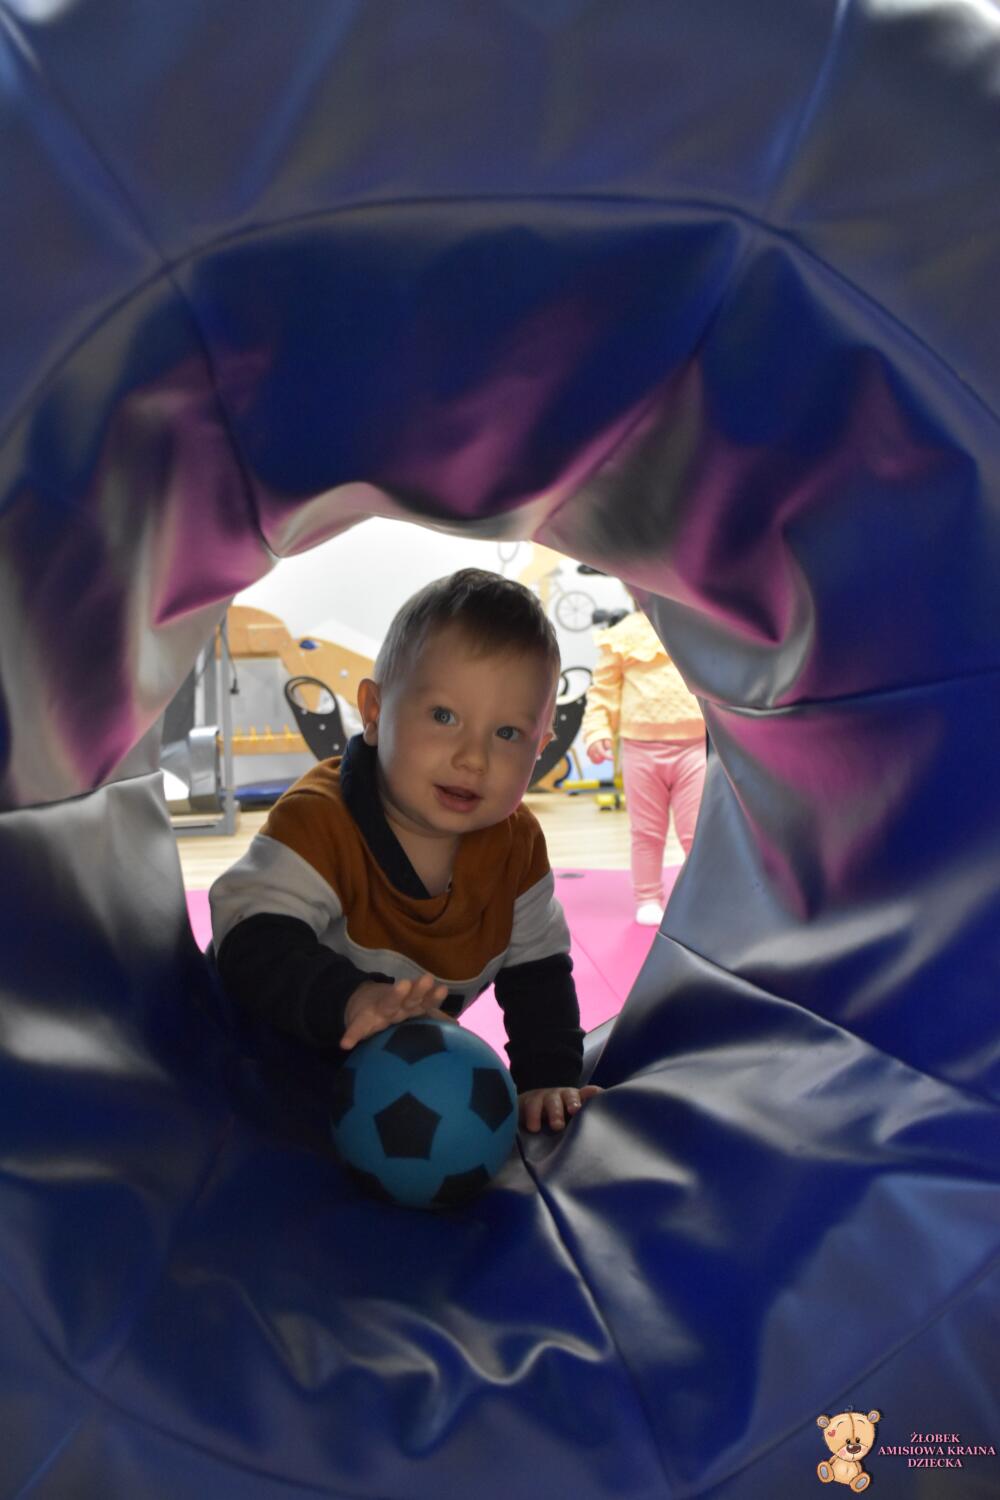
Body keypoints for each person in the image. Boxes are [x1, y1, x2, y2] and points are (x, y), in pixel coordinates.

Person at [210, 568, 601, 1134]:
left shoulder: (515, 847)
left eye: (507, 734)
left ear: (541, 747)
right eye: (444, 717)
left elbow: (538, 975)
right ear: (374, 712)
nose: (473, 758)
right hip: (252, 1067)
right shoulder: (319, 820)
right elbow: (250, 942)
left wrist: (546, 1079)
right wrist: (351, 999)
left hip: (383, 1090)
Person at [581, 597, 706, 926]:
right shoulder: (622, 635)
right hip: (641, 749)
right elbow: (603, 691)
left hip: (693, 747)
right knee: (647, 832)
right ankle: (648, 896)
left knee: (697, 832)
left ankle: (701, 894)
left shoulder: (693, 629)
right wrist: (597, 730)